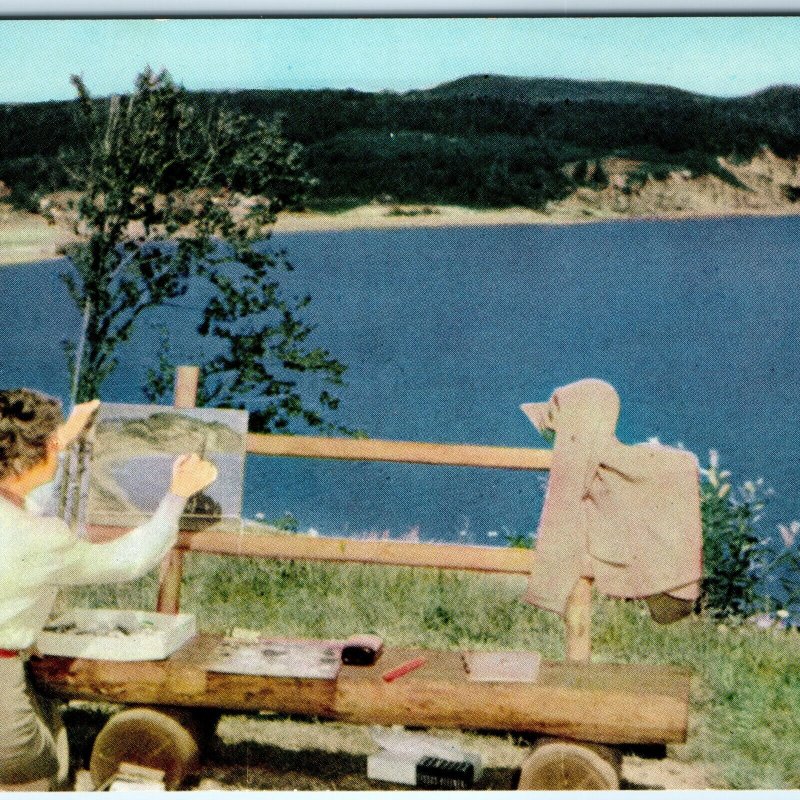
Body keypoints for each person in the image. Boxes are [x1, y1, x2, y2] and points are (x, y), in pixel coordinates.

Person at [0, 388, 218, 791]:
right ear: (46, 447)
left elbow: (20, 492)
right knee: (40, 771)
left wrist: (59, 438)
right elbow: (129, 560)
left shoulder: (22, 516)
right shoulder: (39, 537)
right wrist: (176, 496)